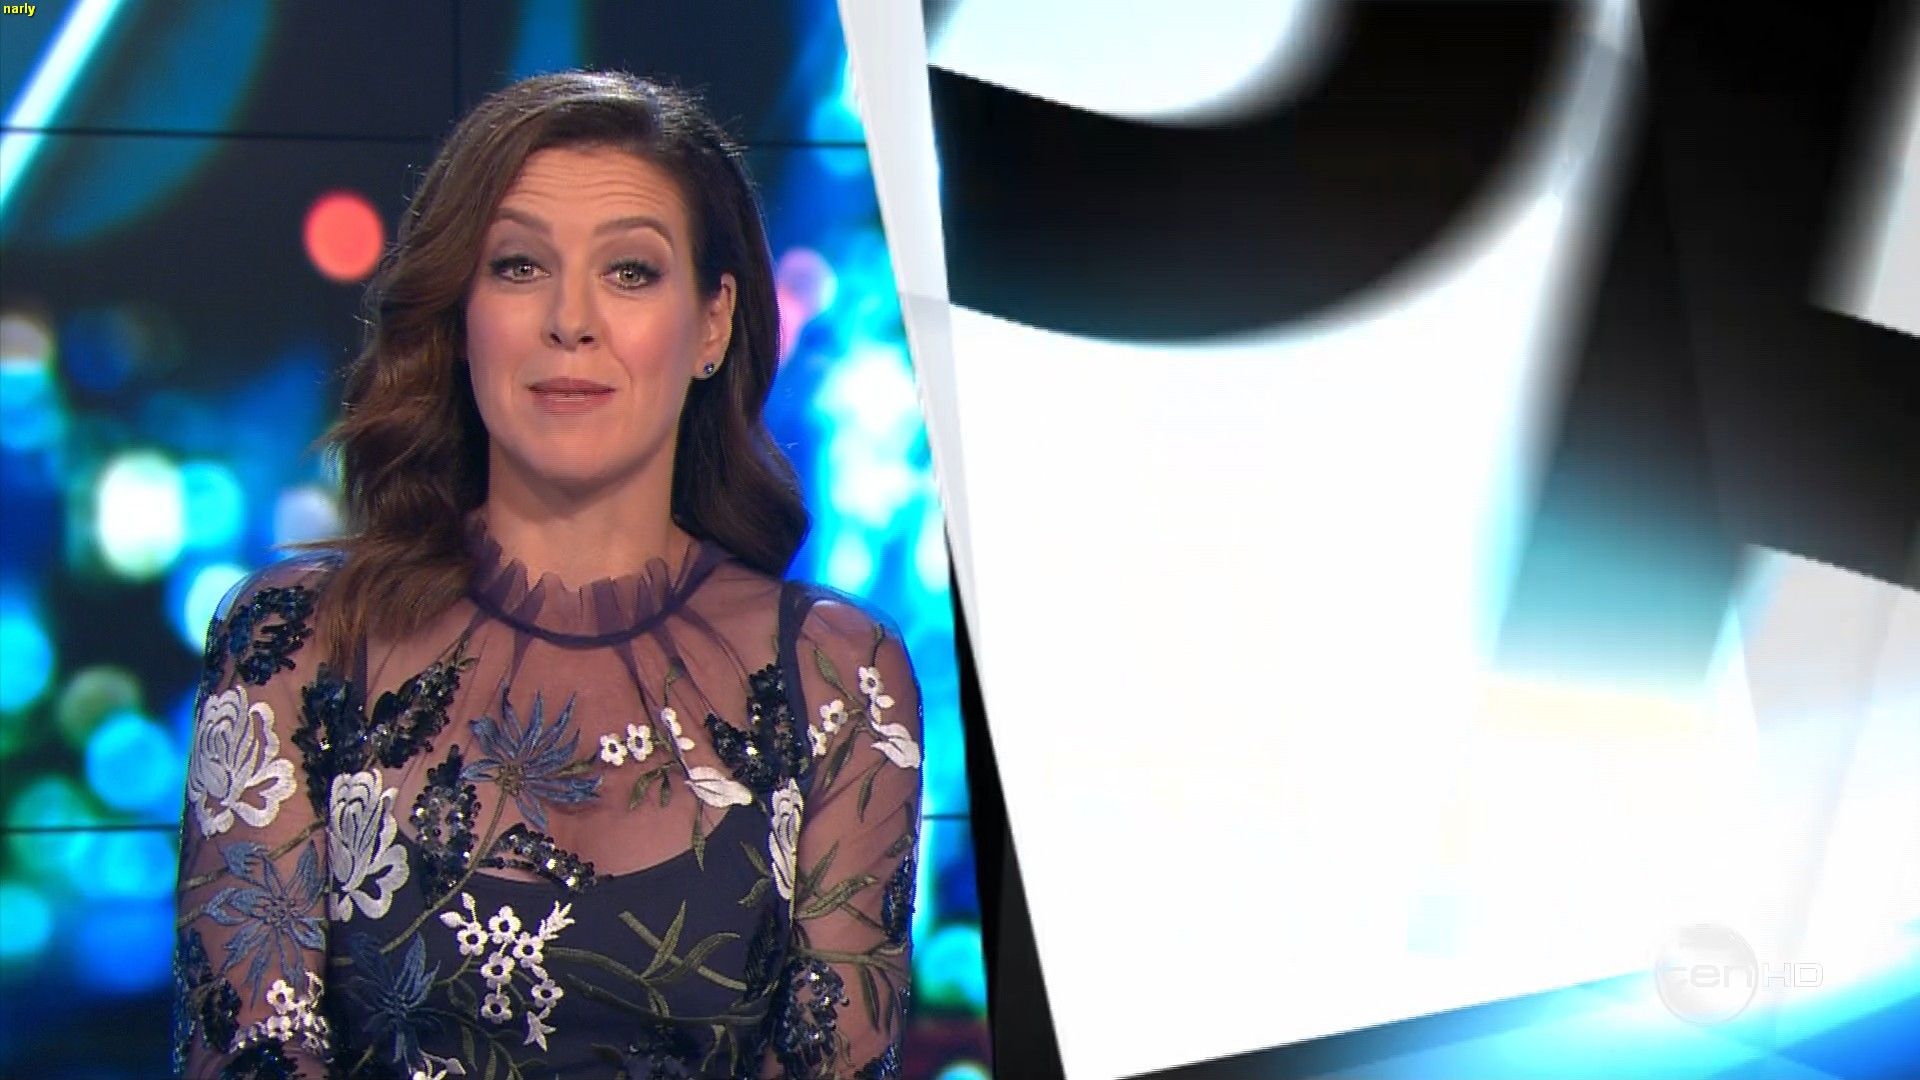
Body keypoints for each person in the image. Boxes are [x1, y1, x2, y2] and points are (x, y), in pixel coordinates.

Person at [172, 71, 923, 1080]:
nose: (571, 320)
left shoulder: (838, 677)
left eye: (630, 272)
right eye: (520, 266)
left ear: (712, 324)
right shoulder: (297, 644)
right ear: (462, 315)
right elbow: (249, 1054)